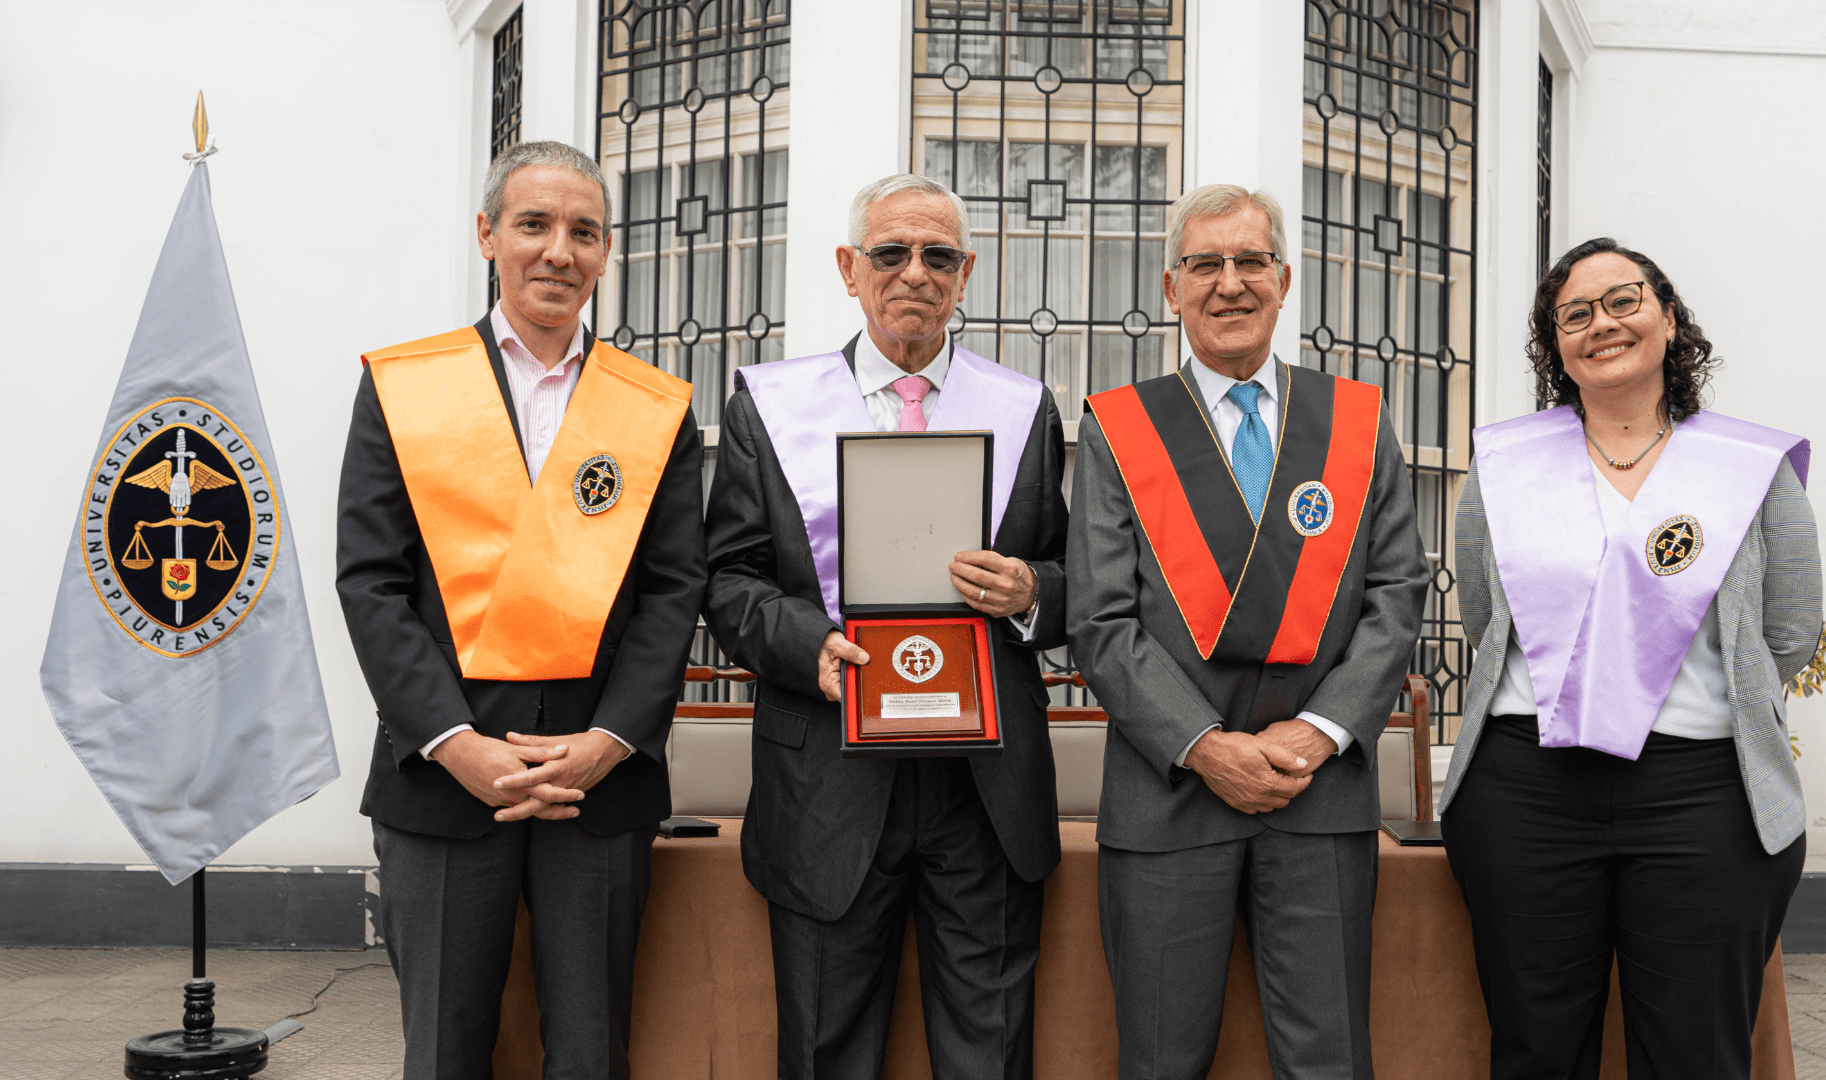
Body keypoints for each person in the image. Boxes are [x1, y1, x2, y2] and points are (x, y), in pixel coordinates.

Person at [336, 140, 706, 1079]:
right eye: (534, 224)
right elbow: (372, 582)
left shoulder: (653, 406)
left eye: (584, 232)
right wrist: (453, 743)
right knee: (445, 1052)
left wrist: (610, 740)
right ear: (487, 234)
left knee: (591, 1052)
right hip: (444, 779)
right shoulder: (407, 386)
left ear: (607, 251)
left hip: (599, 781)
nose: (558, 252)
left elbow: (674, 590)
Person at [702, 173, 1068, 1080]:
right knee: (826, 1048)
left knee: (990, 1052)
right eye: (891, 252)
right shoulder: (770, 406)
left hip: (984, 783)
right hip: (827, 772)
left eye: (938, 256)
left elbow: (1075, 577)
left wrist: (1030, 590)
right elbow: (727, 578)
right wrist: (807, 645)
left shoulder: (1024, 407)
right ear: (848, 268)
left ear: (965, 273)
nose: (915, 273)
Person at [1068, 183, 1429, 1080]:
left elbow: (1396, 593)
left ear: (1284, 279)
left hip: (1321, 794)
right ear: (1171, 287)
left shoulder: (1357, 420)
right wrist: (1204, 746)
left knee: (1328, 1061)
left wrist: (1318, 731)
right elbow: (1101, 620)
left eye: (1251, 261)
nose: (1229, 283)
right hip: (1167, 795)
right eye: (1204, 264)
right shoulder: (1118, 428)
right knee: (1160, 1061)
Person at [1439, 237, 1820, 1080]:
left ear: (1669, 318)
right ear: (1556, 346)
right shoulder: (1504, 465)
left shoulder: (1750, 468)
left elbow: (1789, 632)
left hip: (1703, 794)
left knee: (1695, 1054)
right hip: (1526, 792)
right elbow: (1485, 622)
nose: (1602, 323)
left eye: (1623, 300)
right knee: (1536, 1050)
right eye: (1574, 314)